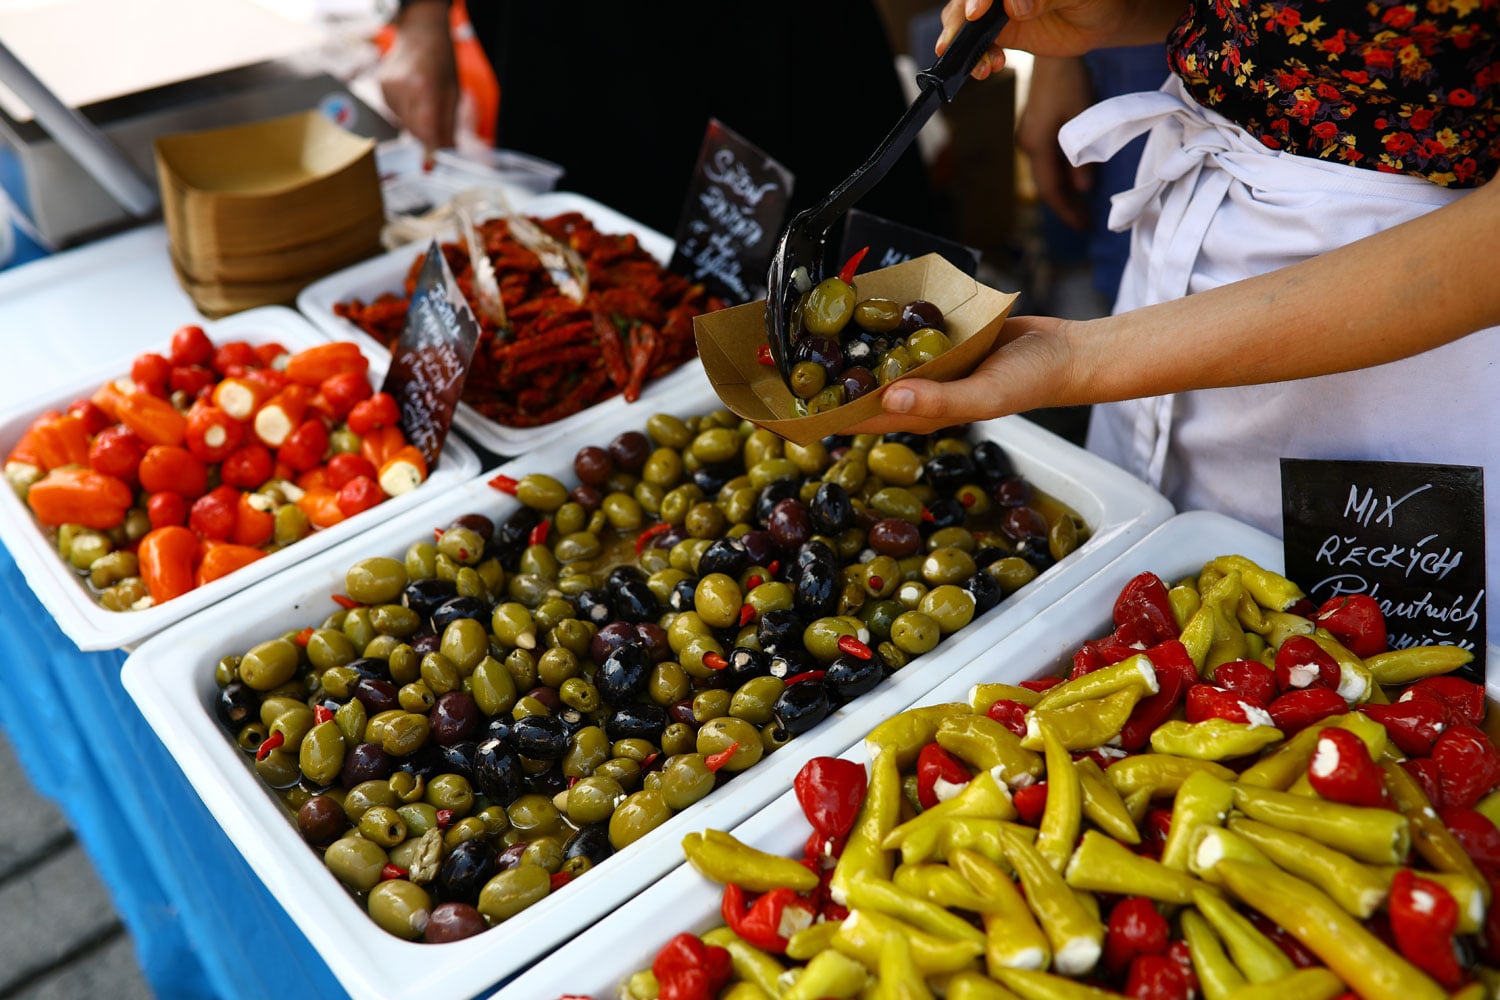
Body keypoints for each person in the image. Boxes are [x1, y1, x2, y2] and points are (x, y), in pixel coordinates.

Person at [851, 0, 1500, 646]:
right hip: (1174, 252)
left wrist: (1085, 360)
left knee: (1342, 680)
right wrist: (1130, 15)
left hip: (1409, 338)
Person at [377, 0, 946, 240]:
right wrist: (420, 13)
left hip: (777, 36)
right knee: (601, 276)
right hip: (568, 50)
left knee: (859, 278)